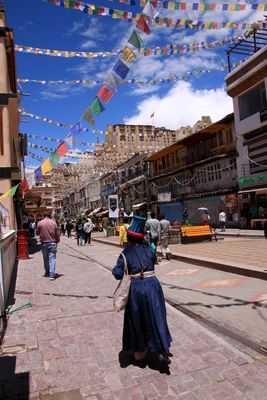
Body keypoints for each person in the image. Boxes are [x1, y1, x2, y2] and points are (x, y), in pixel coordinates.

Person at [112, 215, 172, 367]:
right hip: (153, 285)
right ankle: (161, 349)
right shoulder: (150, 250)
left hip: (137, 289)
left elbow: (117, 274)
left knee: (137, 320)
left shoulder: (126, 253)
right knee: (156, 316)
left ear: (130, 237)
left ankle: (139, 355)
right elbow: (153, 262)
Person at [36, 211, 60, 280]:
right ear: (50, 216)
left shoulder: (40, 223)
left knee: (45, 258)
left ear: (44, 215)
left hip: (44, 243)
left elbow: (37, 233)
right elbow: (57, 233)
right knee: (52, 259)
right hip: (53, 243)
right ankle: (52, 274)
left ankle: (47, 272)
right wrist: (57, 240)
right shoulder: (53, 223)